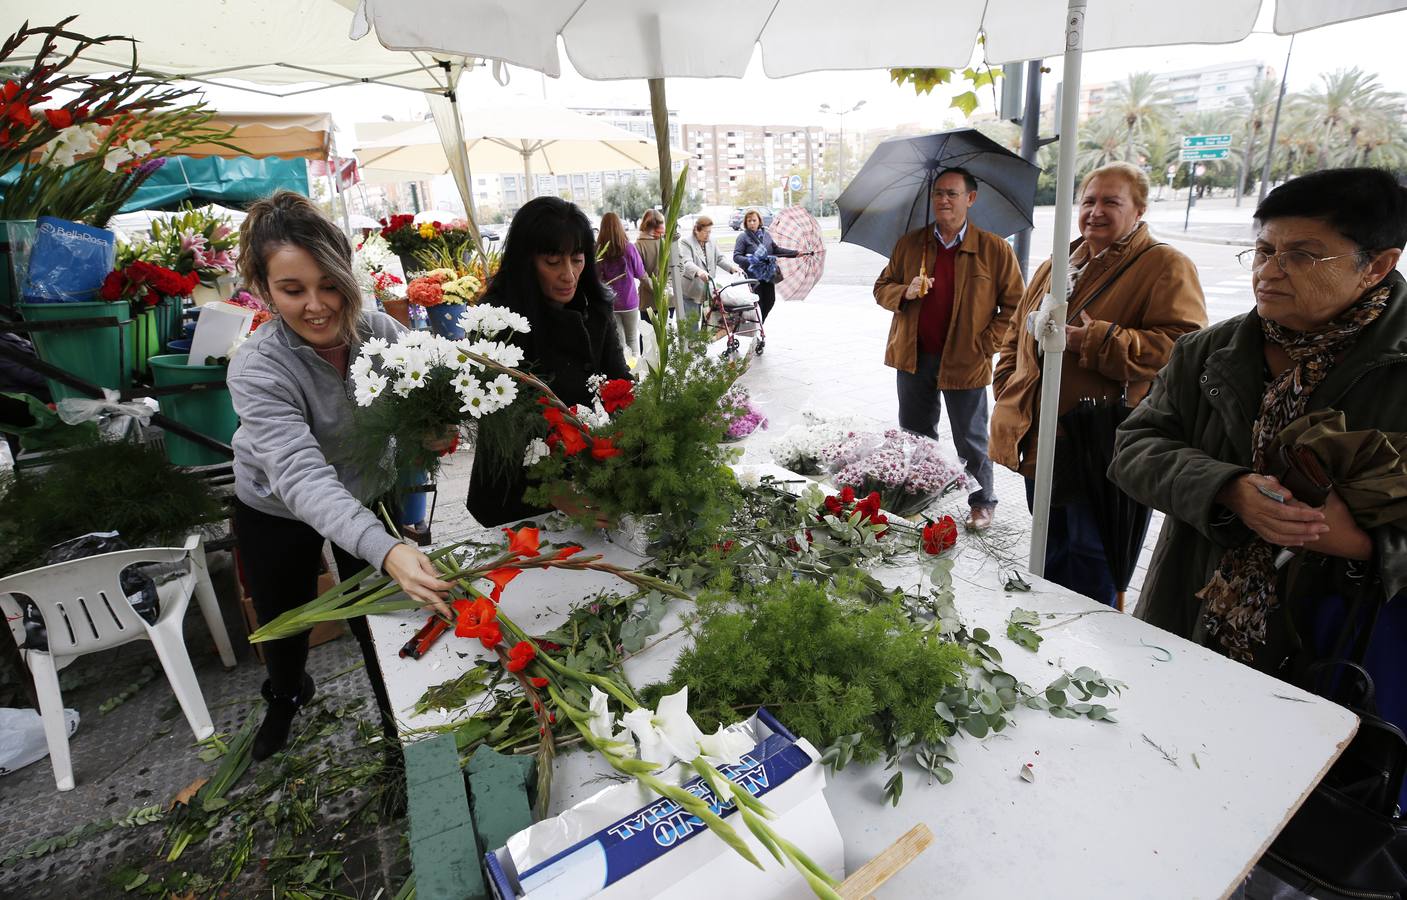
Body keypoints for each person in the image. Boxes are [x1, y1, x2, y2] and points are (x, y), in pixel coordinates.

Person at [1109, 169, 1407, 782]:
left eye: (1302, 255)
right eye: (1266, 250)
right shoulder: (1211, 351)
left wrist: (1366, 544)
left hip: (1339, 641)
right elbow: (1135, 446)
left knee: (1296, 799)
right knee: (1170, 764)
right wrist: (1226, 488)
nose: (1269, 272)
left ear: (1376, 266)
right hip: (1192, 610)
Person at [227, 191, 453, 761]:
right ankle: (285, 694)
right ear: (263, 288)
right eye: (292, 290)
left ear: (347, 274)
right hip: (275, 506)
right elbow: (299, 476)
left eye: (329, 284)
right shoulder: (258, 366)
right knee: (286, 618)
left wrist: (434, 426)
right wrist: (387, 548)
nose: (318, 306)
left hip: (368, 489)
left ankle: (396, 717)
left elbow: (424, 406)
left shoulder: (384, 335)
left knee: (379, 615)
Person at [990, 162, 1207, 605]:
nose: (1096, 211)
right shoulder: (1057, 263)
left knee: (1094, 556)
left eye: (1112, 201)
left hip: (1104, 441)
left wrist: (1094, 339)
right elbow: (1017, 331)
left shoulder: (1165, 265)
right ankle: (1045, 629)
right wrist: (1009, 382)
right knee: (1047, 546)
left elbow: (1184, 347)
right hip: (1044, 436)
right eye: (1089, 200)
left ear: (1139, 209)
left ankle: (1089, 649)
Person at [875, 167, 1025, 531]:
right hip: (914, 357)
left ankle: (982, 501)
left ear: (970, 199)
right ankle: (923, 496)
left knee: (971, 438)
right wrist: (905, 292)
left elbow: (1016, 307)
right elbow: (882, 288)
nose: (944, 199)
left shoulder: (994, 249)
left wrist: (984, 344)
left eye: (952, 193)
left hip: (965, 360)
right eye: (939, 193)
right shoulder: (911, 244)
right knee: (916, 435)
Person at [466, 196, 631, 527]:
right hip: (517, 491)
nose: (569, 275)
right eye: (553, 261)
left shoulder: (595, 307)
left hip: (588, 477)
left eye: (578, 259)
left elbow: (619, 383)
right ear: (526, 261)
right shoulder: (497, 320)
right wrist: (555, 489)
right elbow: (505, 422)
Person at [732, 208, 801, 322]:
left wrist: (796, 253)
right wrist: (753, 260)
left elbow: (776, 250)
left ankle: (759, 325)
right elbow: (736, 257)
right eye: (749, 221)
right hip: (753, 277)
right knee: (757, 302)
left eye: (754, 220)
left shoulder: (766, 235)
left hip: (768, 275)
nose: (752, 223)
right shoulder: (743, 237)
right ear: (745, 222)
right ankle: (758, 328)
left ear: (759, 221)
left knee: (770, 301)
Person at [677, 215, 743, 331]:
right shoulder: (686, 242)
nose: (708, 234)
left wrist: (732, 268)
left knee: (708, 322)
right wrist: (699, 272)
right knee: (692, 324)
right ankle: (692, 347)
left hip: (708, 291)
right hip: (691, 291)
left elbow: (720, 259)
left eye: (710, 232)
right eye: (706, 232)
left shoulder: (711, 241)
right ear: (697, 230)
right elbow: (686, 262)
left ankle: (701, 346)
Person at [596, 212, 647, 356]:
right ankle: (636, 374)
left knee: (620, 342)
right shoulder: (629, 248)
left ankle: (624, 372)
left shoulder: (598, 250)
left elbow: (596, 277)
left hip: (610, 302)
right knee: (632, 339)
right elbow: (640, 273)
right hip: (629, 301)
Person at [635, 208, 669, 324]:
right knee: (667, 336)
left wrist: (656, 288)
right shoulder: (667, 242)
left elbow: (641, 274)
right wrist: (666, 287)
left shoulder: (637, 246)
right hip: (669, 297)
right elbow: (679, 267)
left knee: (647, 337)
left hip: (648, 299)